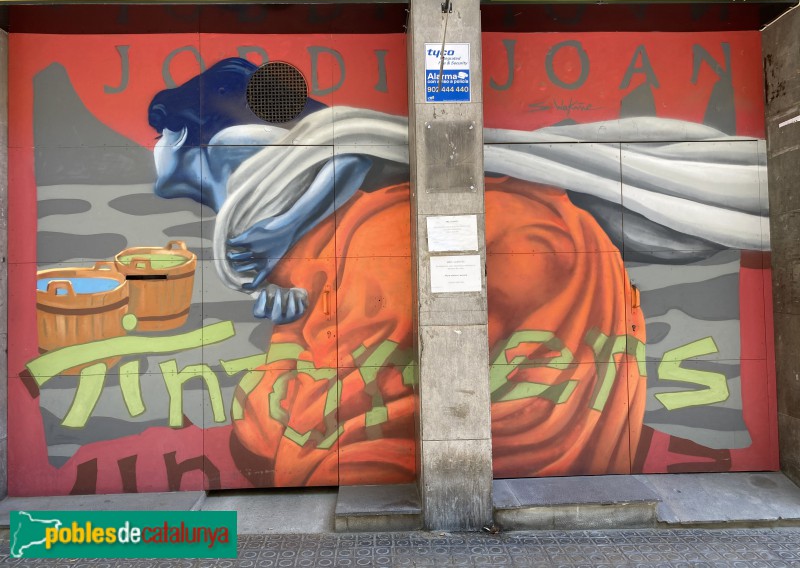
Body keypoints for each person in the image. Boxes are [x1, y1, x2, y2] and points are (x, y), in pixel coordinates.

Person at [148, 57, 765, 484]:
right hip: (567, 358)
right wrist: (293, 319)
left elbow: (321, 447)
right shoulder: (327, 227)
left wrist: (286, 339)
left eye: (159, 133)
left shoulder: (352, 228)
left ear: (181, 136)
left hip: (504, 288)